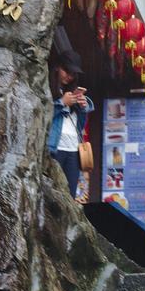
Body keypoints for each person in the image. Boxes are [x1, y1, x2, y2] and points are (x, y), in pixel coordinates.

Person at [47, 52, 93, 200]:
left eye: (73, 74)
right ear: (57, 68)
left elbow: (79, 126)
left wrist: (82, 107)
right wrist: (61, 103)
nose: (69, 76)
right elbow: (41, 115)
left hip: (73, 149)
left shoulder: (70, 91)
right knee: (53, 191)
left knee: (70, 195)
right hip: (55, 147)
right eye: (67, 71)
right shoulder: (47, 87)